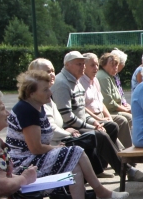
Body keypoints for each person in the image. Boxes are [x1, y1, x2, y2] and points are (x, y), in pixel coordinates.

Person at [5, 73, 127, 199]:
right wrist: (56, 149)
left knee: (74, 166)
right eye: (45, 90)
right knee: (76, 151)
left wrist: (57, 146)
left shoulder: (37, 106)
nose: (50, 92)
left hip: (34, 160)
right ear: (31, 93)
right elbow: (35, 148)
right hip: (22, 166)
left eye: (49, 88)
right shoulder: (26, 110)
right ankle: (100, 192)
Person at [52, 51, 134, 180]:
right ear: (67, 65)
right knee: (100, 134)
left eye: (83, 64)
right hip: (69, 129)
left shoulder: (76, 80)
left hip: (80, 123)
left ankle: (98, 167)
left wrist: (94, 122)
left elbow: (81, 110)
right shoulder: (62, 83)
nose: (82, 67)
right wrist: (91, 126)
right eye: (79, 64)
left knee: (111, 126)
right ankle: (126, 169)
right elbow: (67, 116)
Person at [81, 52, 131, 148]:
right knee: (122, 121)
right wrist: (100, 119)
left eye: (96, 65)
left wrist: (109, 117)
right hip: (91, 118)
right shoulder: (99, 78)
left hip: (103, 114)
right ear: (84, 66)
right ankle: (125, 154)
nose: (96, 68)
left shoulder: (95, 79)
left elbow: (101, 102)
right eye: (92, 65)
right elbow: (82, 107)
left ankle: (126, 153)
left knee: (121, 121)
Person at [98, 50, 135, 147]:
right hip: (107, 111)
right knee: (125, 119)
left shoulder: (110, 76)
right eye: (112, 65)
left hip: (112, 109)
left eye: (116, 65)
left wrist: (125, 107)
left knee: (130, 116)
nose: (115, 68)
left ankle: (126, 148)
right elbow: (108, 102)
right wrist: (124, 109)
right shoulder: (103, 77)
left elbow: (117, 97)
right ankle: (125, 151)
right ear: (104, 64)